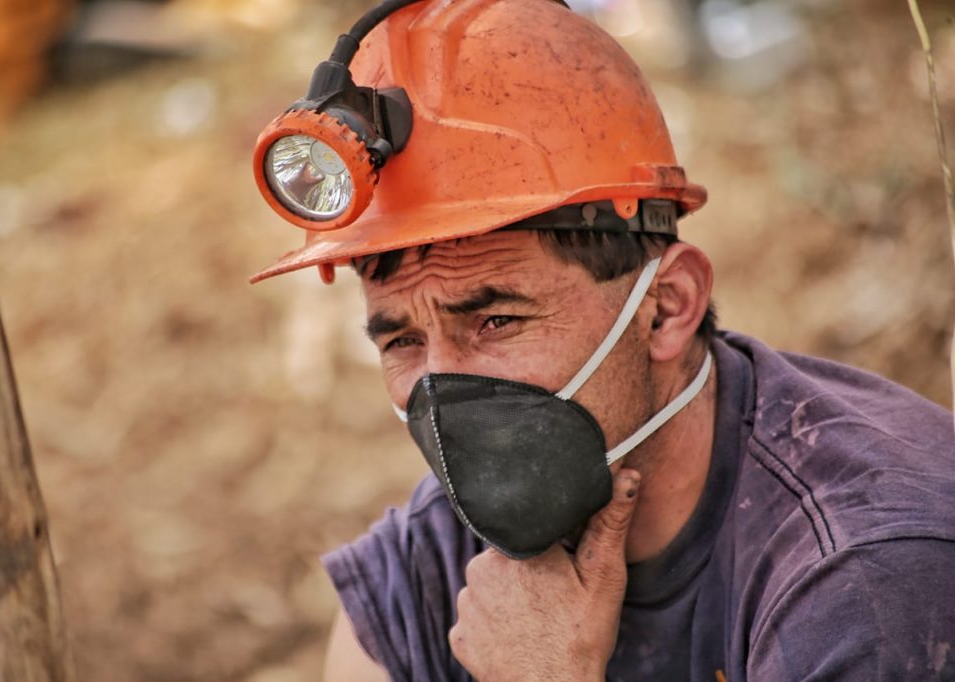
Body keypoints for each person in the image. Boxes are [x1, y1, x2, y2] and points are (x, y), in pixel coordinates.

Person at [248, 0, 955, 679]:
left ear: (667, 308)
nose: (442, 384)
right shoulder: (427, 572)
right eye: (400, 341)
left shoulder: (870, 582)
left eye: (496, 321)